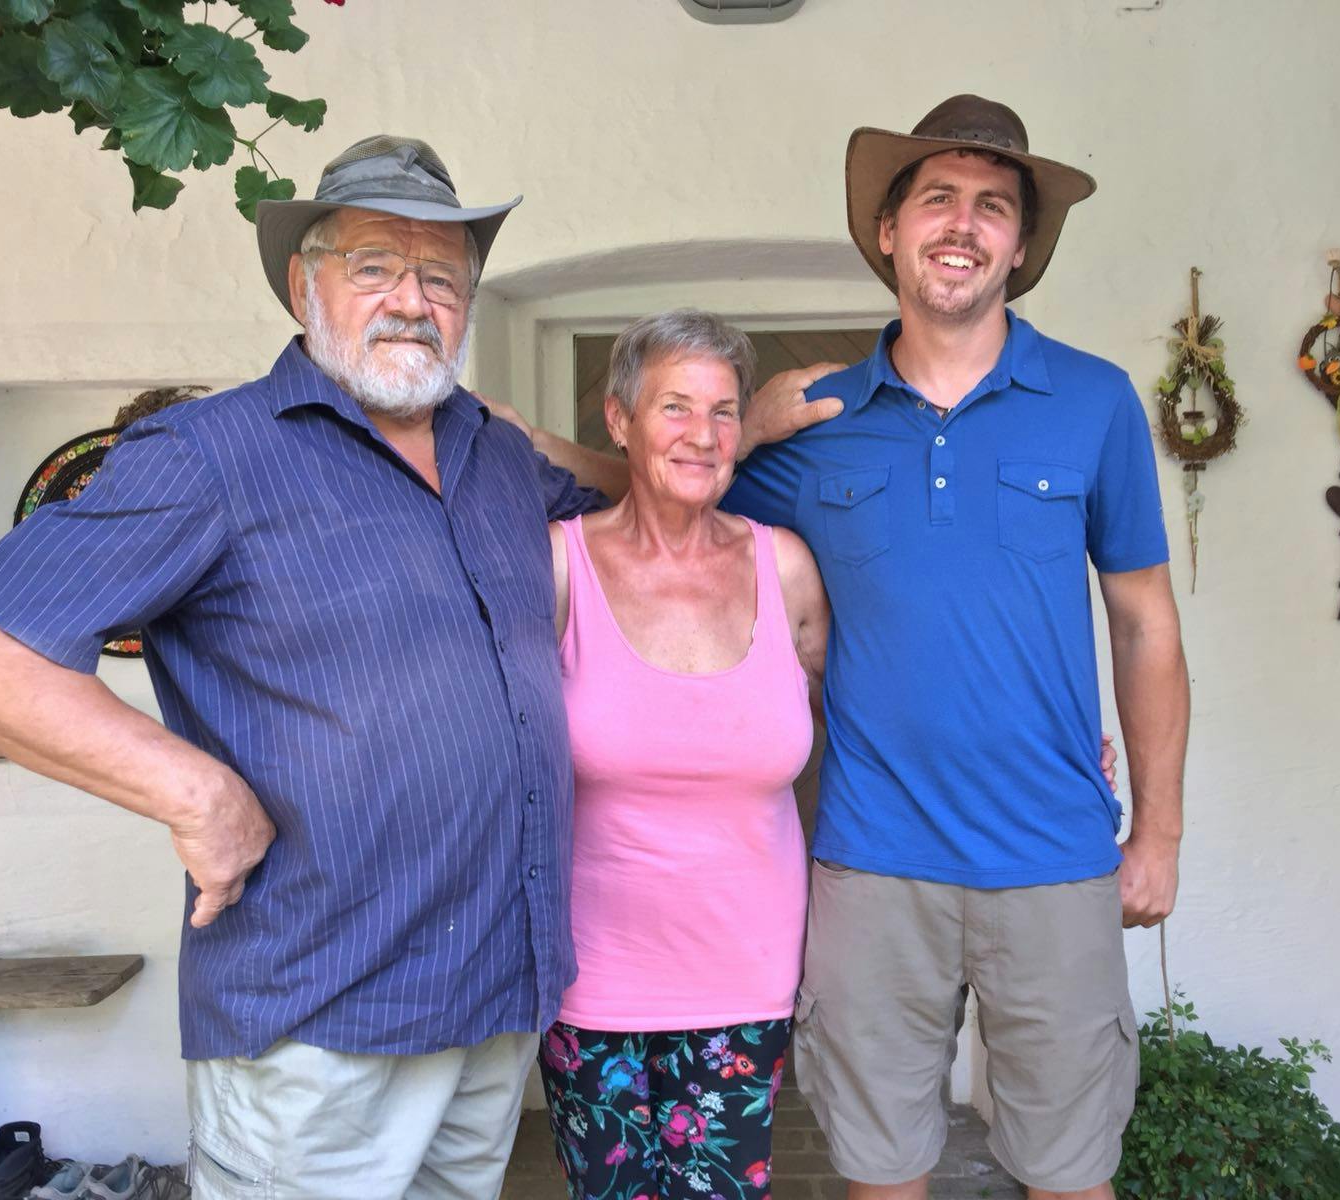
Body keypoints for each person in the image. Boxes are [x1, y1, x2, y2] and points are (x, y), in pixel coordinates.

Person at [499, 95, 1189, 1200]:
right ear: (887, 230)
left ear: (1022, 243)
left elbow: (1146, 622)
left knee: (1069, 1175)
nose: (962, 226)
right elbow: (660, 488)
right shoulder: (821, 415)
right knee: (881, 1173)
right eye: (936, 200)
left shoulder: (1095, 402)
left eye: (993, 207)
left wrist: (1156, 830)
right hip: (870, 862)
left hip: (1056, 856)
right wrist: (735, 427)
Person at [0, 135, 605, 1199]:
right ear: (301, 285)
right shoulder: (208, 456)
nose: (410, 299)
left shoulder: (497, 457)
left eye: (441, 277)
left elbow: (641, 505)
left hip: (493, 996)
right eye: (373, 266)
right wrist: (196, 792)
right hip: (322, 1016)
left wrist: (729, 436)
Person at [533, 310, 827, 1200]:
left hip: (746, 971)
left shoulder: (785, 570)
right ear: (619, 420)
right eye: (675, 407)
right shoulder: (557, 567)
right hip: (594, 977)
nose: (702, 435)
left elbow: (857, 710)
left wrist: (1066, 746)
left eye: (725, 410)